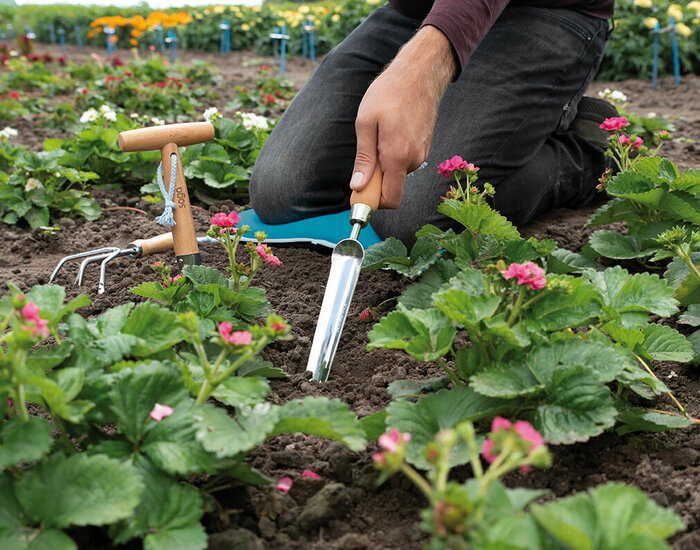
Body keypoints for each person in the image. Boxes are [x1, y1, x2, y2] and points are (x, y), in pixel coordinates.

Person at [249, 0, 618, 246]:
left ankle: (590, 156)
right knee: (281, 191)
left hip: (546, 10)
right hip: (418, 9)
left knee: (413, 220)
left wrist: (425, 65)